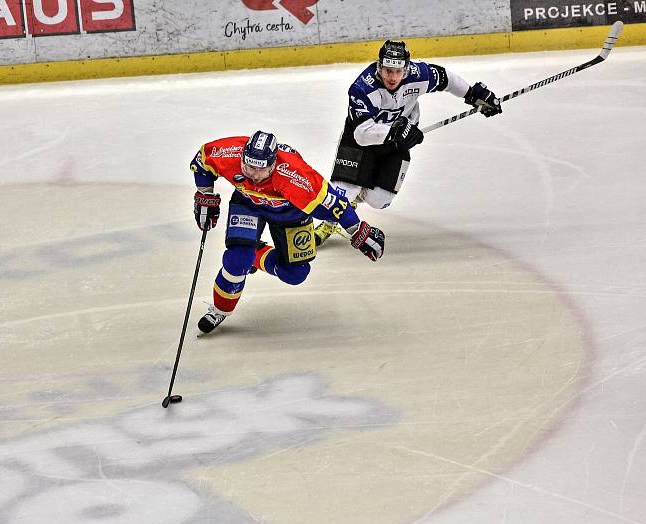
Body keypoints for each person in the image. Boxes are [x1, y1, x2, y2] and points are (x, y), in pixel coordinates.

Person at [191, 130, 385, 334]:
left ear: (274, 164)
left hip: (290, 214)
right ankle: (221, 308)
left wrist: (357, 231)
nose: (254, 175)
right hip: (249, 205)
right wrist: (204, 195)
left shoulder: (297, 178)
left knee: (295, 274)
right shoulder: (229, 153)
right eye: (248, 167)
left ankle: (255, 256)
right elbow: (202, 160)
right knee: (237, 259)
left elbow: (336, 205)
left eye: (261, 169)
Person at [314, 40, 503, 245]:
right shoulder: (362, 88)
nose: (392, 77)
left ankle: (351, 201)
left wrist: (473, 94)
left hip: (398, 141)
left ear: (406, 69)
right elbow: (362, 134)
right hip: (360, 141)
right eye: (387, 70)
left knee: (379, 201)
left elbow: (446, 79)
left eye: (397, 71)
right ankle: (336, 214)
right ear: (379, 67)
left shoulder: (419, 74)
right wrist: (395, 132)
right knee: (342, 194)